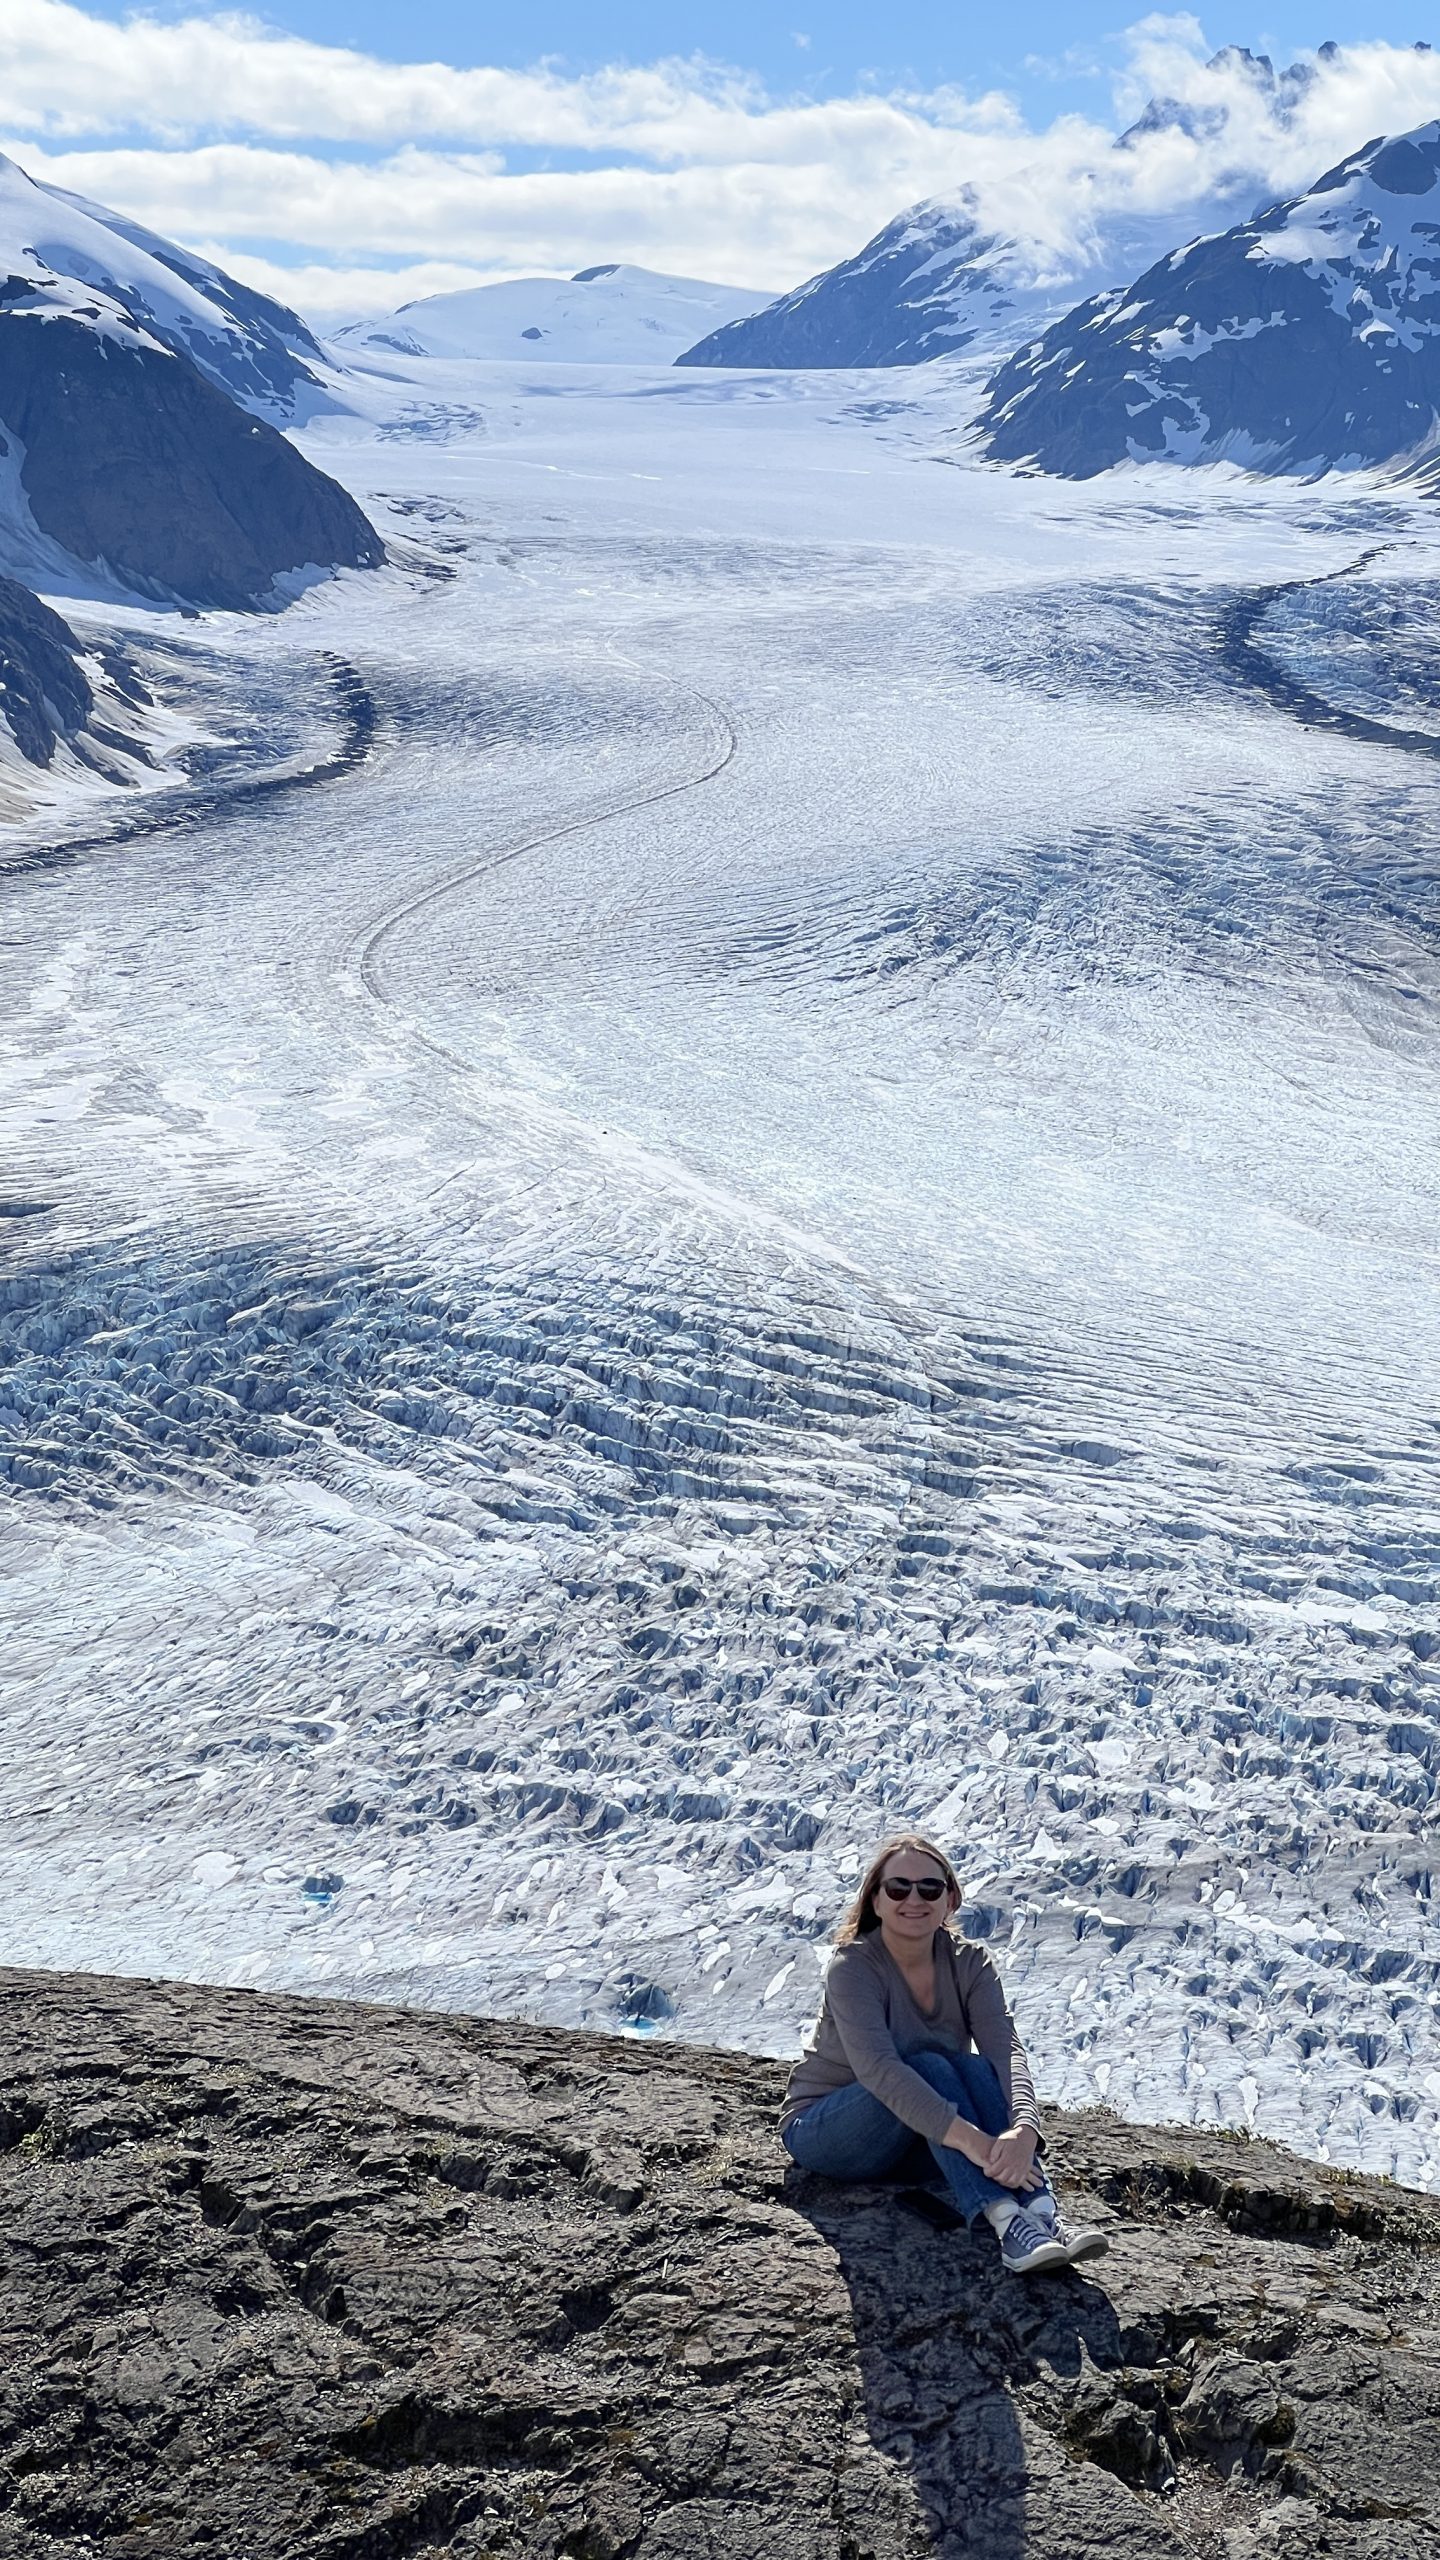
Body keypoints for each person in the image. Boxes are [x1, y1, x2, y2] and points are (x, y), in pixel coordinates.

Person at [780, 1832, 1106, 2275]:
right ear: (875, 1900)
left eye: (929, 1888)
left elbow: (1005, 2051)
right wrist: (979, 2142)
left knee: (973, 2066)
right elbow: (881, 2072)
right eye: (898, 1888)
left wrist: (1025, 2130)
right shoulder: (853, 1967)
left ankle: (1043, 2213)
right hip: (829, 2132)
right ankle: (1007, 2221)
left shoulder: (970, 1963)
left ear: (950, 1899)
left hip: (913, 2137)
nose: (914, 1898)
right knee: (928, 2065)